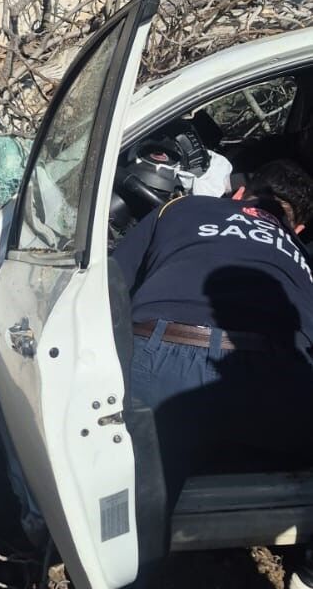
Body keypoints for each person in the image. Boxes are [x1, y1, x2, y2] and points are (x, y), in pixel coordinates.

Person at [111, 161, 313, 566]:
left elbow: (113, 279)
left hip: (164, 354)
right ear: (299, 227)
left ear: (237, 192)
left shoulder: (181, 208)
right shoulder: (304, 258)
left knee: (133, 514)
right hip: (275, 379)